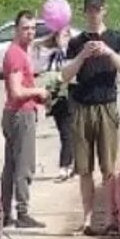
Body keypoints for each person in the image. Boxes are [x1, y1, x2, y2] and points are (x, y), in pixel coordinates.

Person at [60, 0, 120, 235]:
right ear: (85, 11)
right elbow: (65, 75)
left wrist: (108, 52)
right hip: (82, 107)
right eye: (90, 9)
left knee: (109, 167)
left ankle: (113, 217)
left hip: (106, 106)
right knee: (84, 168)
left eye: (98, 9)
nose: (94, 13)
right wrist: (82, 55)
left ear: (105, 10)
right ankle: (88, 218)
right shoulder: (76, 42)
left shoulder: (116, 38)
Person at [0, 10, 48, 229]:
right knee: (23, 165)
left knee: (10, 165)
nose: (29, 33)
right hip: (21, 113)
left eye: (32, 28)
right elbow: (17, 91)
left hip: (13, 113)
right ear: (16, 29)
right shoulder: (16, 54)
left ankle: (5, 212)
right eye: (25, 28)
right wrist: (39, 91)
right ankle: (22, 212)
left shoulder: (19, 50)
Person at [44, 24, 75, 180]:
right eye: (60, 36)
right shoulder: (53, 56)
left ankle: (65, 166)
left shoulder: (72, 55)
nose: (63, 39)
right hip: (57, 98)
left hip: (70, 97)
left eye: (66, 36)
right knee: (66, 132)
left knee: (67, 133)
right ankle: (71, 164)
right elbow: (48, 77)